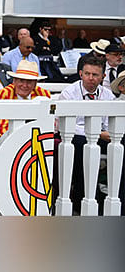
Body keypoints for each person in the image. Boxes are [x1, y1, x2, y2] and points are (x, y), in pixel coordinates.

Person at [58, 55, 123, 215]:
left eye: (95, 75)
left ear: (103, 76)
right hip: (74, 137)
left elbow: (109, 124)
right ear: (80, 73)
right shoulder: (69, 93)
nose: (91, 78)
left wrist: (106, 134)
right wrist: (99, 133)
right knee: (82, 146)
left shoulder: (108, 95)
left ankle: (119, 197)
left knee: (121, 143)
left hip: (102, 135)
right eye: (87, 74)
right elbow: (66, 126)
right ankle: (81, 200)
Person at [0, 60, 51, 150]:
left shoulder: (43, 94)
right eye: (21, 80)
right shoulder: (5, 93)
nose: (25, 85)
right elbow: (2, 125)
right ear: (14, 81)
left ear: (35, 84)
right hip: (3, 136)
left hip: (34, 138)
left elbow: (47, 123)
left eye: (29, 82)